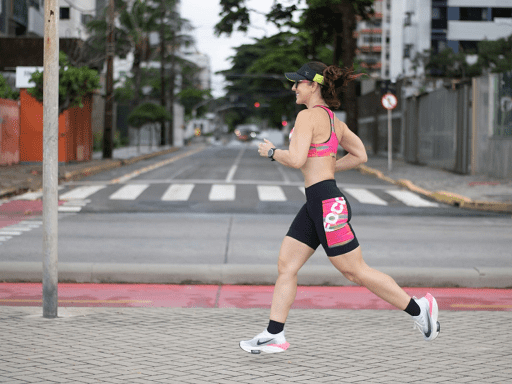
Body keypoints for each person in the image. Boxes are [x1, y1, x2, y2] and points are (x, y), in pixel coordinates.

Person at [239, 62, 440, 354]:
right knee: (287, 265)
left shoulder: (307, 117)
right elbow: (360, 155)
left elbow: (295, 160)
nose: (294, 88)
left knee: (355, 271)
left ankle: (420, 309)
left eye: (298, 83)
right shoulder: (335, 122)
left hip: (325, 202)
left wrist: (272, 152)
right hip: (316, 202)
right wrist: (327, 166)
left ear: (313, 85)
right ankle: (274, 334)